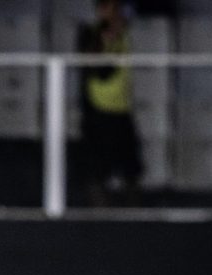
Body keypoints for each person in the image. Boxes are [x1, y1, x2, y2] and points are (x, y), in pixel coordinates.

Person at [77, 0, 143, 206]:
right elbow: (94, 67)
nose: (114, 13)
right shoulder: (91, 32)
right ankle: (99, 201)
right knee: (99, 158)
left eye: (117, 9)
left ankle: (132, 201)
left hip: (122, 105)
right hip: (99, 106)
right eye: (109, 8)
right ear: (101, 10)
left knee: (129, 157)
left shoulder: (123, 32)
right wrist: (105, 42)